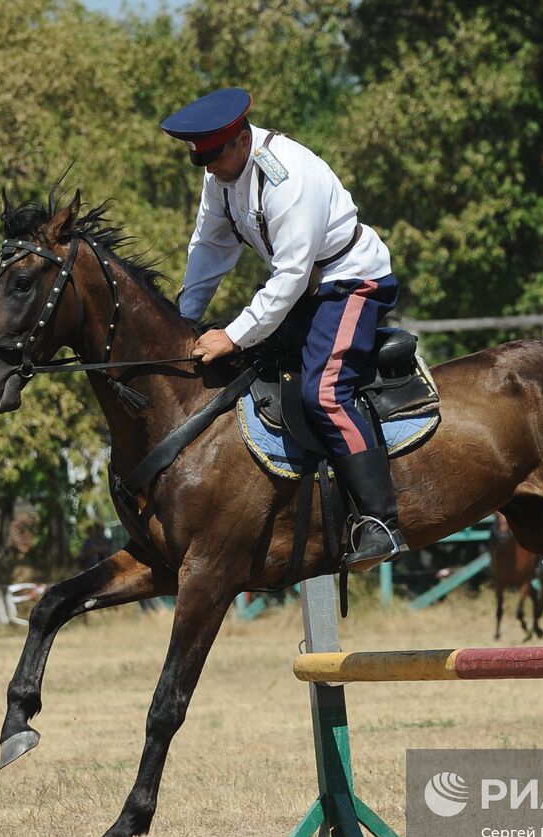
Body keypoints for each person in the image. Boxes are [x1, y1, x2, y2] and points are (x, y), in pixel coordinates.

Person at [160, 87, 406, 570]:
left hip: (352, 283)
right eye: (202, 161)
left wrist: (231, 335)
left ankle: (382, 522)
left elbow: (290, 276)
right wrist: (185, 320)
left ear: (239, 141)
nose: (209, 170)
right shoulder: (221, 176)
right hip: (306, 290)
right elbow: (209, 248)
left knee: (325, 393)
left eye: (214, 159)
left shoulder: (287, 178)